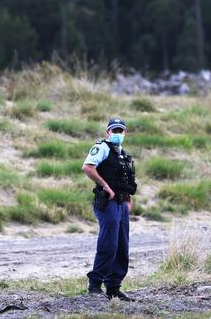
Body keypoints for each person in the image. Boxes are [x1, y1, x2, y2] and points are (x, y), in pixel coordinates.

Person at [82, 117, 137, 301]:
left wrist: (128, 198)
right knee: (109, 245)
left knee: (122, 246)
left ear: (125, 133)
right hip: (108, 204)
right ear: (107, 132)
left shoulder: (122, 153)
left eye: (120, 131)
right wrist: (105, 186)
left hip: (121, 205)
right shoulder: (102, 148)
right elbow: (88, 167)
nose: (117, 134)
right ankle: (95, 284)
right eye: (114, 131)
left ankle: (113, 287)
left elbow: (123, 179)